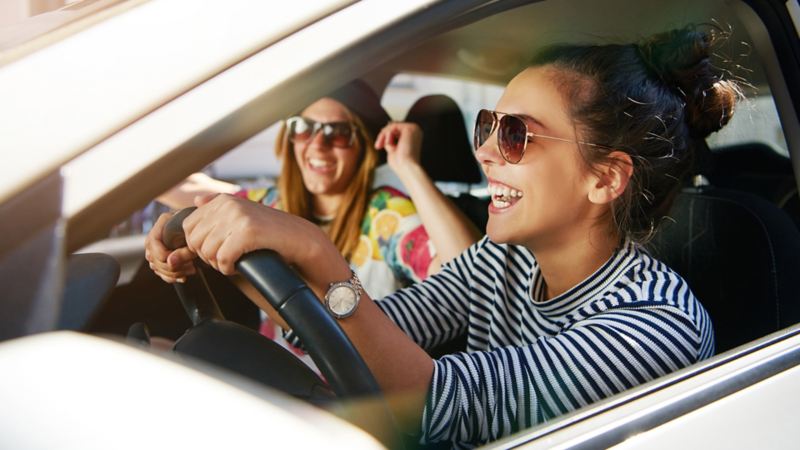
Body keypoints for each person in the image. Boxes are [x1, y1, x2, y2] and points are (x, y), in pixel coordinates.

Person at [148, 26, 738, 448]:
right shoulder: (501, 260)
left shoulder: (657, 324)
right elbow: (364, 331)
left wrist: (317, 251)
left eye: (515, 135)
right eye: (487, 126)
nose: (483, 151)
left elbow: (443, 409)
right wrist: (221, 251)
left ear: (603, 177)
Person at [148, 80, 481, 350]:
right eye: (304, 129)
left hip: (351, 387)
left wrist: (408, 166)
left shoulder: (385, 214)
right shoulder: (266, 207)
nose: (318, 146)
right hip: (280, 371)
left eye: (337, 133)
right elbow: (185, 190)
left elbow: (473, 278)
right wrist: (168, 236)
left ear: (363, 146)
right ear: (290, 139)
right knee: (159, 353)